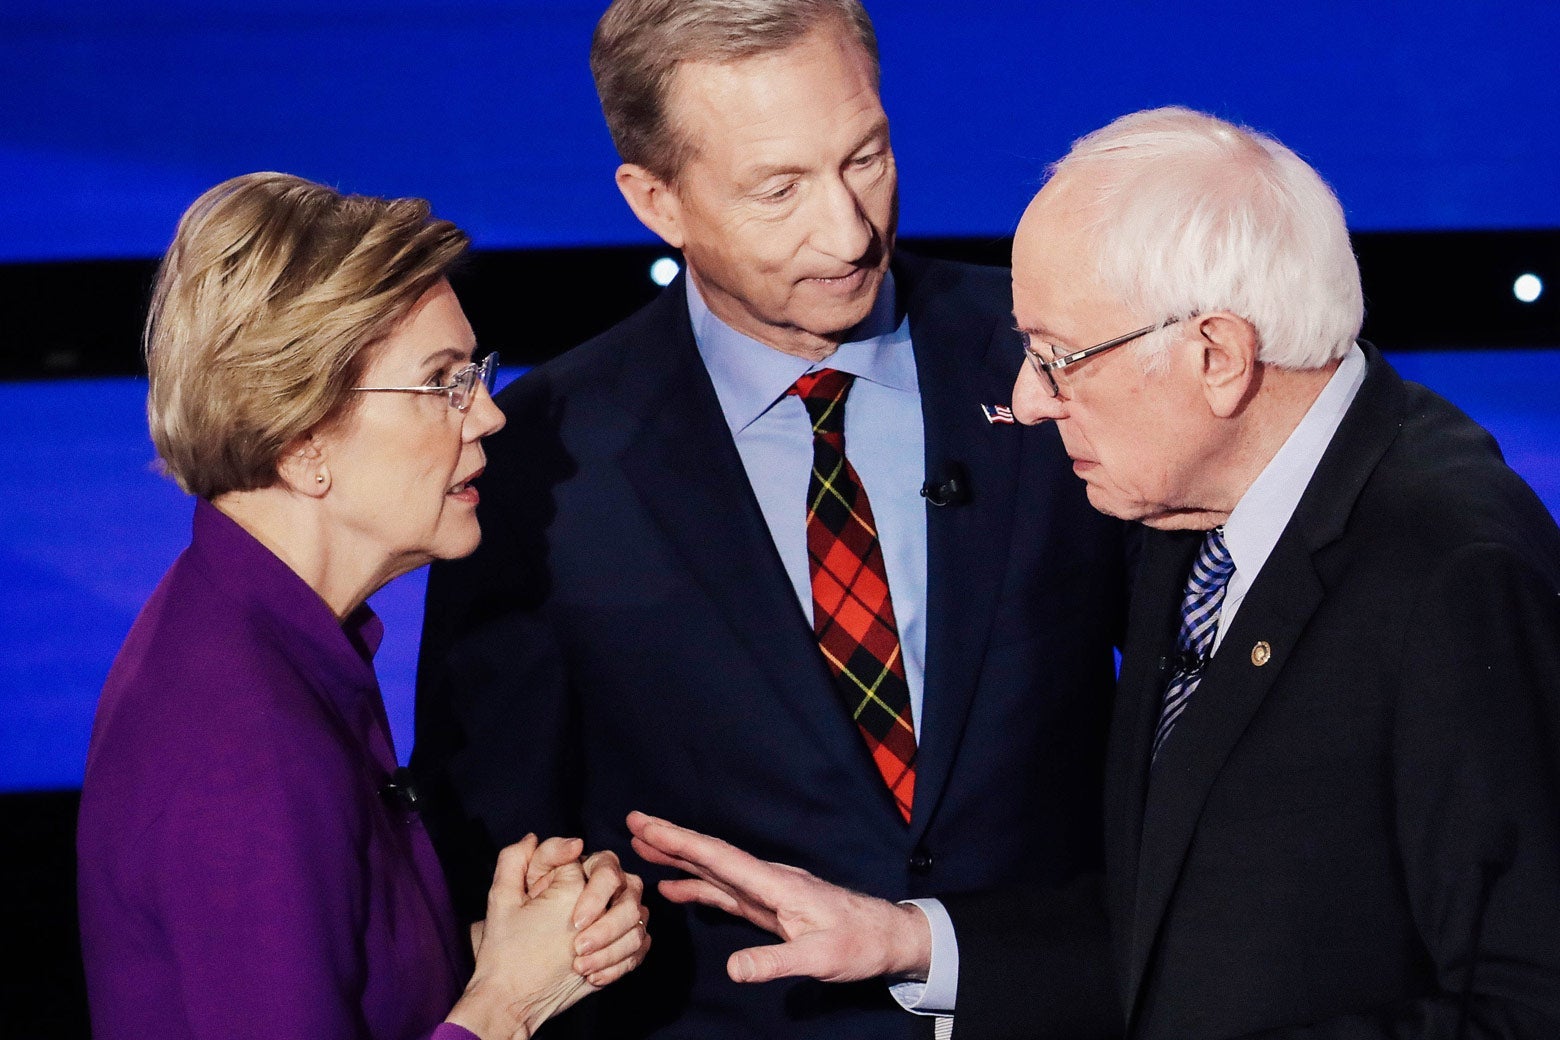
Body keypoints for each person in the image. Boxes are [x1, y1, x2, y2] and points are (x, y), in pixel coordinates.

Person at [625, 106, 1560, 1039]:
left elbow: (1530, 1007)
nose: (1027, 402)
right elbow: (1179, 928)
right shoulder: (1191, 513)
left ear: (1217, 357)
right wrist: (905, 939)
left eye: (1055, 358)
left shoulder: (1452, 572)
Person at [412, 1, 1128, 1037]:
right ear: (655, 199)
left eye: (867, 158)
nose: (847, 231)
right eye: (777, 188)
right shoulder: (541, 455)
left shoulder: (1053, 357)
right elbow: (504, 838)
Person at [77, 172, 651, 1040]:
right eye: (443, 383)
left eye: (475, 374)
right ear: (303, 440)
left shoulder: (263, 640)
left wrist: (507, 948)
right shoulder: (244, 744)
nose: (489, 417)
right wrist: (509, 1003)